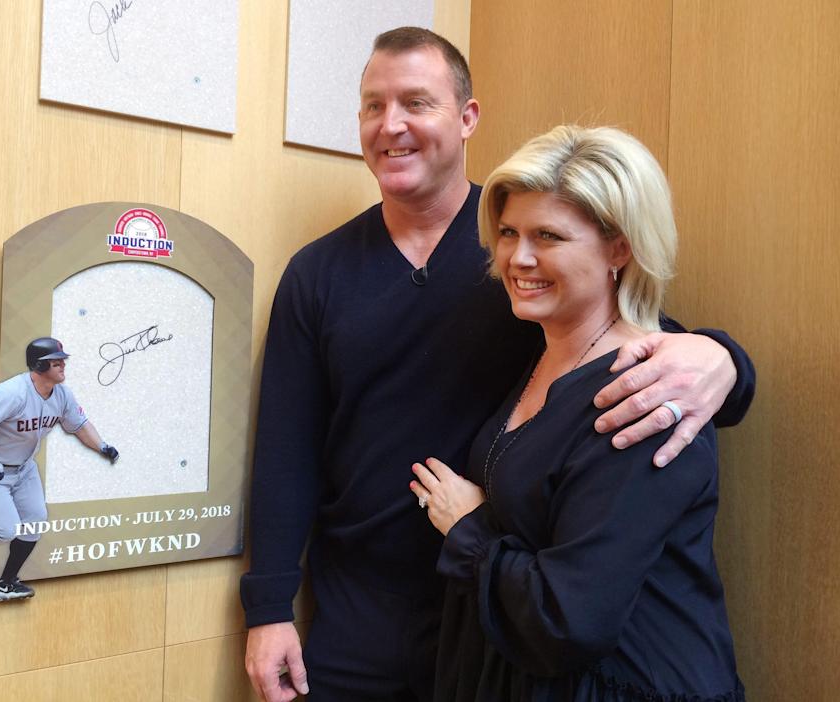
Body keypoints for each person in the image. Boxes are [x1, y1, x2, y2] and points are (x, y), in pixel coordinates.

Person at [242, 27, 754, 702]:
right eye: (372, 105)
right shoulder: (320, 273)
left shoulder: (534, 253)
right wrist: (270, 607)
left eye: (415, 102)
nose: (390, 125)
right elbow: (287, 451)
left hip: (503, 617)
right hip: (363, 617)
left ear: (466, 118)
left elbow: (646, 354)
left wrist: (726, 360)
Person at [410, 125, 744, 701]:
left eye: (549, 236)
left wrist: (469, 529)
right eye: (509, 232)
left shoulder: (644, 396)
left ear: (620, 248)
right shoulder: (548, 347)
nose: (519, 257)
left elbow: (570, 620)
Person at [0, 336, 119, 603]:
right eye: (55, 361)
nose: (62, 364)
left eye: (62, 359)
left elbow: (80, 424)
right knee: (5, 530)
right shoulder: (12, 393)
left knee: (34, 522)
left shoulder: (61, 394)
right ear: (39, 365)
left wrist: (102, 446)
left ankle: (6, 584)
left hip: (23, 468)